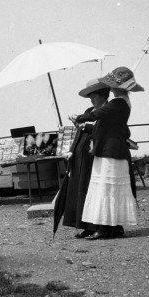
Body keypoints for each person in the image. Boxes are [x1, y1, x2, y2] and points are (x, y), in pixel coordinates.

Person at [75, 66, 143, 240]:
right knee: (111, 189)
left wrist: (80, 118)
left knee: (106, 188)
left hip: (110, 151)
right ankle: (114, 227)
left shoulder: (118, 103)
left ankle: (105, 228)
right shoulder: (122, 102)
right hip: (112, 149)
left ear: (115, 88)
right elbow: (106, 125)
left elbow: (98, 114)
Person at [62, 79, 111, 238]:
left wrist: (88, 126)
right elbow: (80, 132)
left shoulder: (109, 110)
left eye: (94, 96)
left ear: (103, 96)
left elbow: (107, 131)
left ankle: (99, 226)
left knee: (95, 190)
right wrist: (72, 148)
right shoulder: (90, 110)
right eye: (90, 96)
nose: (91, 99)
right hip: (82, 155)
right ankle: (86, 225)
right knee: (81, 190)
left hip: (96, 155)